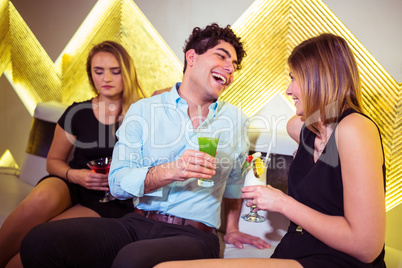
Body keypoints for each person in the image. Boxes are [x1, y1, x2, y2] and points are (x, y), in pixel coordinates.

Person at [19, 23, 270, 268]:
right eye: (222, 56)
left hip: (195, 235)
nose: (230, 69)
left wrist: (233, 229)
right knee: (39, 241)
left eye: (234, 65)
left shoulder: (236, 120)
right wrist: (172, 170)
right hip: (136, 222)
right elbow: (117, 184)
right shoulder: (144, 110)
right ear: (192, 57)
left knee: (133, 259)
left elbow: (235, 181)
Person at [155, 33, 387, 268]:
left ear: (319, 78)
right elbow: (295, 124)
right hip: (296, 250)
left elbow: (366, 247)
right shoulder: (306, 129)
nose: (289, 90)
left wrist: (282, 202)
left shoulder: (356, 129)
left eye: (295, 78)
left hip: (334, 259)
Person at [0, 40, 145, 268]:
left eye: (114, 71)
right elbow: (53, 162)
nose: (106, 79)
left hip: (108, 200)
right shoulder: (77, 112)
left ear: (126, 73)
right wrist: (75, 175)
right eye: (98, 72)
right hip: (70, 183)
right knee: (39, 198)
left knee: (38, 244)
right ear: (91, 75)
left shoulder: (142, 116)